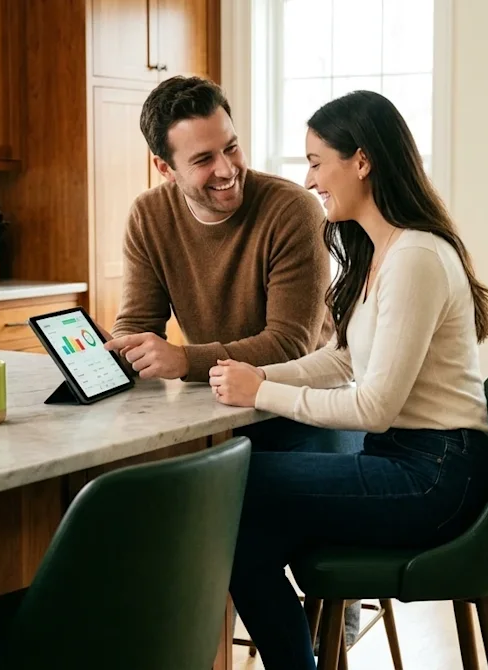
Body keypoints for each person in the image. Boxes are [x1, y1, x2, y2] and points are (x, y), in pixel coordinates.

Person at [209, 90, 488, 670]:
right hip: (411, 461)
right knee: (244, 539)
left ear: (362, 161)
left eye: (318, 161)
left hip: (433, 475)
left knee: (230, 480)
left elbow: (372, 407)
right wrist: (258, 374)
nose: (310, 178)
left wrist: (262, 393)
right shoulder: (382, 251)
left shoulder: (416, 256)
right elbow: (344, 360)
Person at [101, 76, 365, 639]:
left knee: (226, 529)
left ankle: (321, 616)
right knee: (165, 511)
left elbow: (290, 343)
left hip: (308, 413)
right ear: (163, 168)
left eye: (231, 146)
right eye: (202, 159)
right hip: (224, 415)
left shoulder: (292, 209)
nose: (226, 169)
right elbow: (136, 321)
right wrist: (124, 350)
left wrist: (183, 360)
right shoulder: (149, 217)